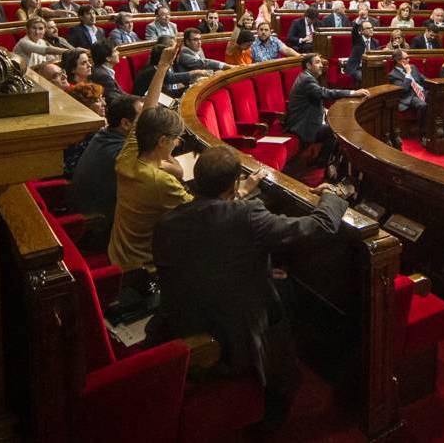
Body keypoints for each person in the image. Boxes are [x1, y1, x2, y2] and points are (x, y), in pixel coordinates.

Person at [147, 148, 349, 431]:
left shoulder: (167, 222)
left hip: (180, 320)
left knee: (276, 281)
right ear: (233, 185)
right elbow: (320, 227)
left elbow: (213, 246)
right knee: (282, 299)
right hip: (230, 339)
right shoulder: (246, 217)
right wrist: (332, 197)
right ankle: (269, 417)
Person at [108, 41, 192, 270]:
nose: (178, 143)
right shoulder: (160, 181)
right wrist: (243, 190)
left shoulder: (129, 155)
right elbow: (205, 213)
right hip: (144, 268)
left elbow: (147, 111)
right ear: (163, 141)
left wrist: (163, 66)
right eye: (177, 139)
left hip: (118, 253)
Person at [70, 94, 144, 248]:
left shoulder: (105, 135)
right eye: (143, 117)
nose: (149, 121)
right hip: (101, 230)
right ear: (125, 123)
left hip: (91, 212)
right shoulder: (119, 153)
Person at [284, 55, 368, 173]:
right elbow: (324, 93)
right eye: (317, 62)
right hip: (302, 125)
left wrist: (325, 111)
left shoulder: (306, 77)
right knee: (334, 130)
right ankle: (323, 164)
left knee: (335, 127)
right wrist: (352, 92)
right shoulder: (306, 80)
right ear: (308, 65)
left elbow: (314, 99)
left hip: (305, 119)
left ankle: (330, 163)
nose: (321, 65)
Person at [132, 38, 205, 97]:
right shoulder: (152, 71)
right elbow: (168, 91)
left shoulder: (160, 65)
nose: (176, 52)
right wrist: (191, 86)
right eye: (174, 49)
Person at [64, 82, 106, 177]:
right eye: (97, 100)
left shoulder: (97, 127)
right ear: (83, 106)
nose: (104, 103)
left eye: (102, 98)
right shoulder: (88, 133)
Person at [388, 49, 429, 122]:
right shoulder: (393, 75)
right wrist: (408, 73)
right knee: (422, 105)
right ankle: (422, 131)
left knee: (440, 97)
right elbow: (404, 89)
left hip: (422, 91)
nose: (409, 60)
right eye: (406, 58)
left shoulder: (413, 67)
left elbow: (424, 79)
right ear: (398, 61)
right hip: (409, 96)